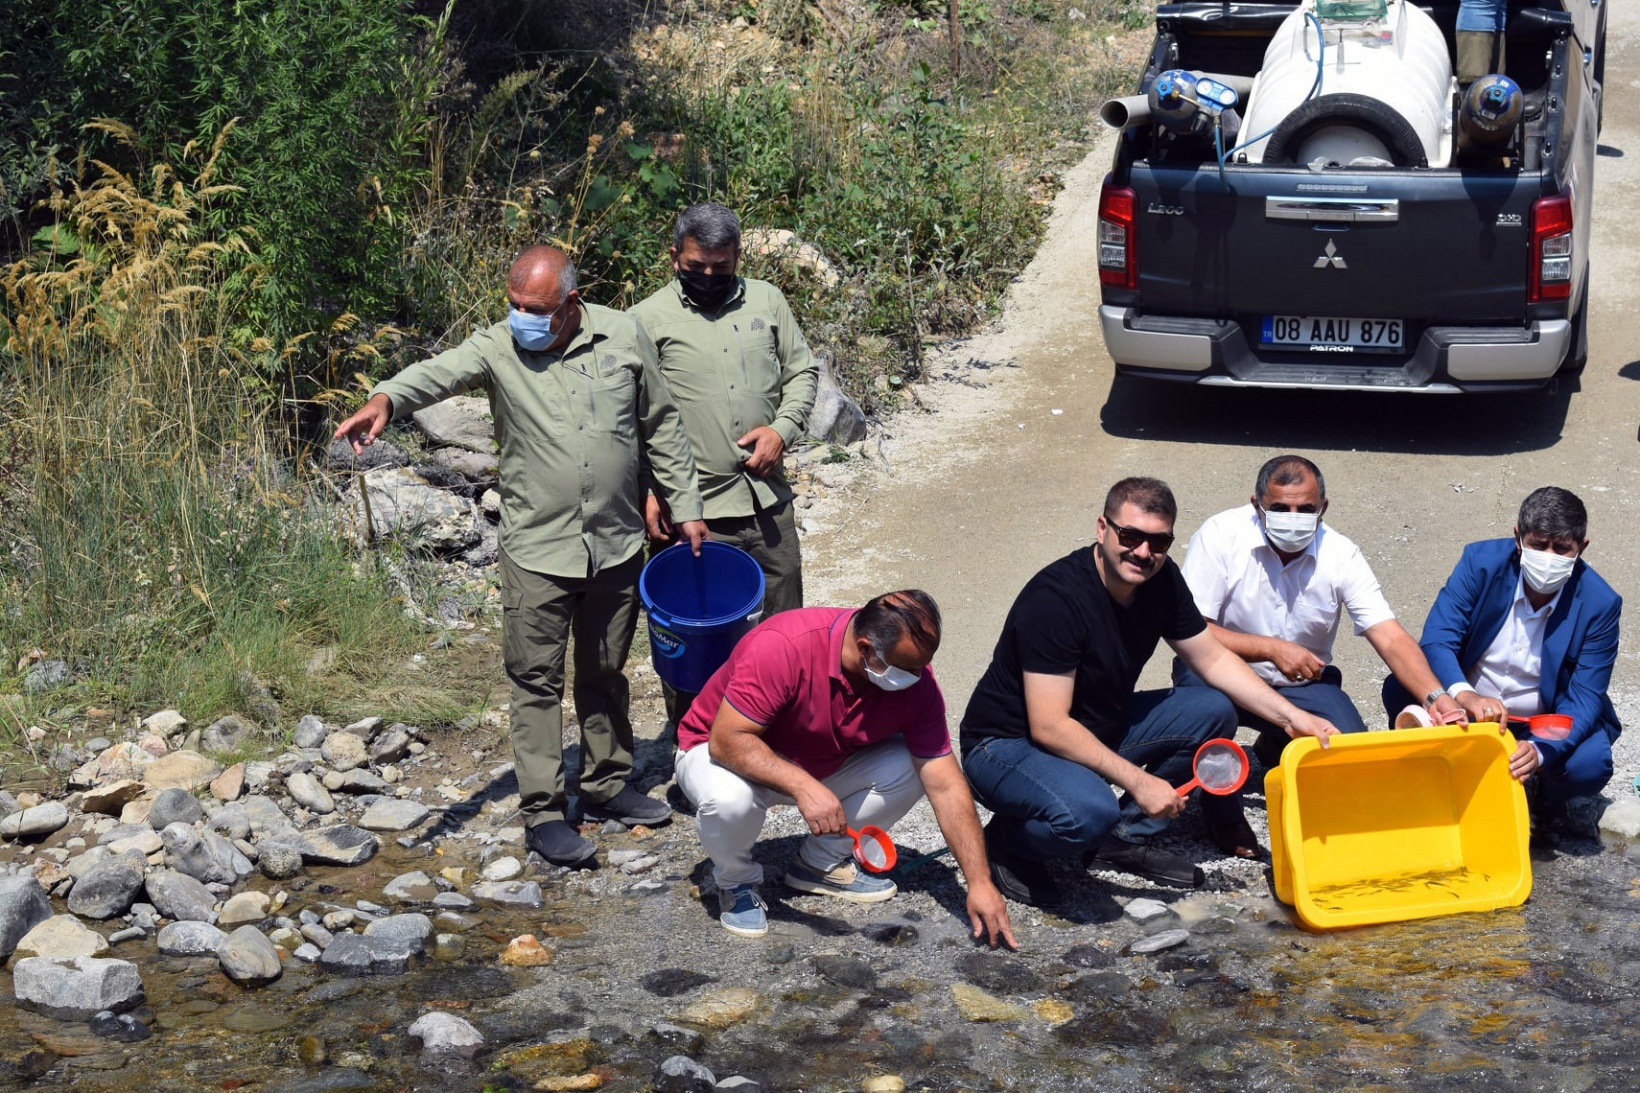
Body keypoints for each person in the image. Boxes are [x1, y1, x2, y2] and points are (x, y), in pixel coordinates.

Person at [334, 245, 708, 867]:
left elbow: (661, 425)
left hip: (615, 543)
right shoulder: (495, 347)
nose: (521, 318)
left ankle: (608, 782)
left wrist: (685, 503)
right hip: (538, 548)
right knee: (535, 680)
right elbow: (436, 372)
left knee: (605, 669)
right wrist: (385, 400)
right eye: (513, 305)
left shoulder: (622, 335)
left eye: (535, 308)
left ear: (571, 304)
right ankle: (541, 811)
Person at [960, 477, 1341, 908]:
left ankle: (1122, 838)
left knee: (1213, 710)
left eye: (1158, 542)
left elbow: (1212, 659)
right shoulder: (1056, 600)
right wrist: (1140, 781)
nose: (1143, 552)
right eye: (1131, 536)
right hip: (1007, 744)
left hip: (1092, 725)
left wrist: (1292, 718)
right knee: (1090, 813)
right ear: (1102, 529)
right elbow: (1049, 726)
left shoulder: (1160, 581)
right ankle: (1008, 843)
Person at [674, 590, 1015, 947]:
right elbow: (727, 741)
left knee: (913, 766)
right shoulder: (784, 646)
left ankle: (818, 866)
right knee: (729, 800)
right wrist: (803, 786)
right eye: (907, 668)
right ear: (866, 648)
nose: (918, 677)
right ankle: (736, 882)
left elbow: (945, 783)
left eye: (921, 666)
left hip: (813, 760)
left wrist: (979, 883)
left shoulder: (915, 683)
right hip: (717, 752)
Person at [1174, 455, 1467, 858]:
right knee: (1210, 711)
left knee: (1349, 754)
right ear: (1256, 504)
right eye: (1279, 508)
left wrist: (1437, 698)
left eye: (1305, 509)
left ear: (1322, 509)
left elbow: (1390, 636)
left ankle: (1278, 748)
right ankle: (1223, 816)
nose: (1292, 518)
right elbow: (1192, 628)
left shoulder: (1341, 554)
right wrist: (1271, 648)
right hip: (1217, 672)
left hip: (1301, 685)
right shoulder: (1220, 535)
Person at [631, 203, 819, 728]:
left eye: (721, 266)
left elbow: (802, 373)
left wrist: (781, 430)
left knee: (786, 632)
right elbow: (634, 416)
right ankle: (696, 746)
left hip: (766, 503)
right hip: (692, 511)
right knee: (697, 641)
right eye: (696, 267)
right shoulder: (644, 321)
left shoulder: (767, 301)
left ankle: (780, 737)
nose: (709, 277)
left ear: (738, 255)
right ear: (673, 256)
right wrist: (650, 490)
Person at [1383, 487, 1622, 817]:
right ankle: (1435, 779)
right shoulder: (1479, 564)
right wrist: (1464, 696)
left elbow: (1585, 696)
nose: (1549, 556)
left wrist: (1540, 752)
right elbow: (1438, 641)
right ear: (1518, 538)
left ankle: (1545, 803)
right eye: (1539, 545)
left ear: (1582, 548)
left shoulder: (1600, 603)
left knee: (1589, 763)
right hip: (1466, 712)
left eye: (1562, 549)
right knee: (1401, 686)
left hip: (1542, 722)